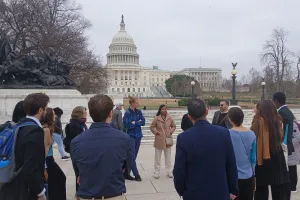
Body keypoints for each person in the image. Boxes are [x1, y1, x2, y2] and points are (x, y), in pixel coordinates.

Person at [70, 95, 133, 200]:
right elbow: (127, 167)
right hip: (113, 192)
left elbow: (78, 172)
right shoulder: (124, 139)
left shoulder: (76, 141)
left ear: (90, 114)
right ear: (110, 113)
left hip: (87, 193)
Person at [173, 99, 238, 200]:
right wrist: (233, 189)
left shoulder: (183, 138)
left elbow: (179, 170)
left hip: (194, 193)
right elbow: (231, 164)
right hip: (220, 192)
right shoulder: (223, 133)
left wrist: (182, 191)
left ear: (189, 117)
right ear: (207, 111)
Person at [0, 93, 50, 200]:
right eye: (45, 109)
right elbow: (31, 169)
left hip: (10, 185)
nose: (46, 112)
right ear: (40, 110)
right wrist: (40, 192)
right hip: (23, 190)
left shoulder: (18, 125)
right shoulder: (35, 131)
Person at [251, 100, 289, 200]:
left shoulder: (258, 121)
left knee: (261, 189)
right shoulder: (278, 120)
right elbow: (280, 137)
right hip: (277, 154)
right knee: (278, 187)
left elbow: (252, 137)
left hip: (262, 156)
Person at [228, 107, 256, 200]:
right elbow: (253, 157)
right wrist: (253, 173)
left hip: (232, 177)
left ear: (230, 119)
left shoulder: (227, 134)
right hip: (248, 175)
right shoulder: (252, 134)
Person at [273, 92, 295, 196]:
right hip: (288, 144)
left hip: (283, 146)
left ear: (276, 101)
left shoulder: (281, 113)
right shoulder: (288, 111)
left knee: (283, 175)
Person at [42, 108, 66, 200]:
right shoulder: (46, 130)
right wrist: (44, 168)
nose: (55, 116)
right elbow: (44, 150)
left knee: (57, 181)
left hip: (49, 159)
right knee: (60, 179)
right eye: (53, 114)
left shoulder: (47, 129)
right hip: (47, 160)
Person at [65, 106, 88, 197]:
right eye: (85, 112)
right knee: (79, 173)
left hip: (82, 151)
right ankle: (79, 192)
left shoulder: (81, 123)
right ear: (80, 114)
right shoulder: (74, 125)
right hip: (78, 153)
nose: (86, 114)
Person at [150, 104, 176, 179]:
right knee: (157, 157)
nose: (164, 110)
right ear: (160, 110)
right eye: (163, 109)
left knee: (168, 157)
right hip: (159, 139)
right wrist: (156, 132)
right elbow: (152, 127)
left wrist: (170, 131)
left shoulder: (170, 118)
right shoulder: (156, 118)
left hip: (167, 139)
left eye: (165, 109)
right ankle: (157, 171)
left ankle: (169, 171)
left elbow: (174, 126)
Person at [123, 96, 145, 181]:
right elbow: (127, 125)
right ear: (132, 103)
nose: (138, 104)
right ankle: (136, 174)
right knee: (131, 156)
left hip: (138, 135)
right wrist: (137, 122)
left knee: (133, 156)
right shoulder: (127, 113)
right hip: (131, 136)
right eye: (137, 102)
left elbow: (143, 122)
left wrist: (134, 122)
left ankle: (126, 172)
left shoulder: (139, 112)